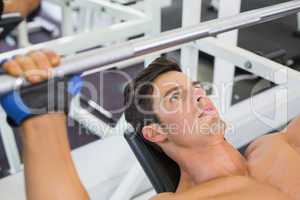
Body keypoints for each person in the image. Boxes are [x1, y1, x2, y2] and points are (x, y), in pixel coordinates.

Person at [0, 52, 299, 200]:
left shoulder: (276, 144)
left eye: (196, 89)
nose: (198, 96)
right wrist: (43, 119)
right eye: (175, 97)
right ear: (156, 132)